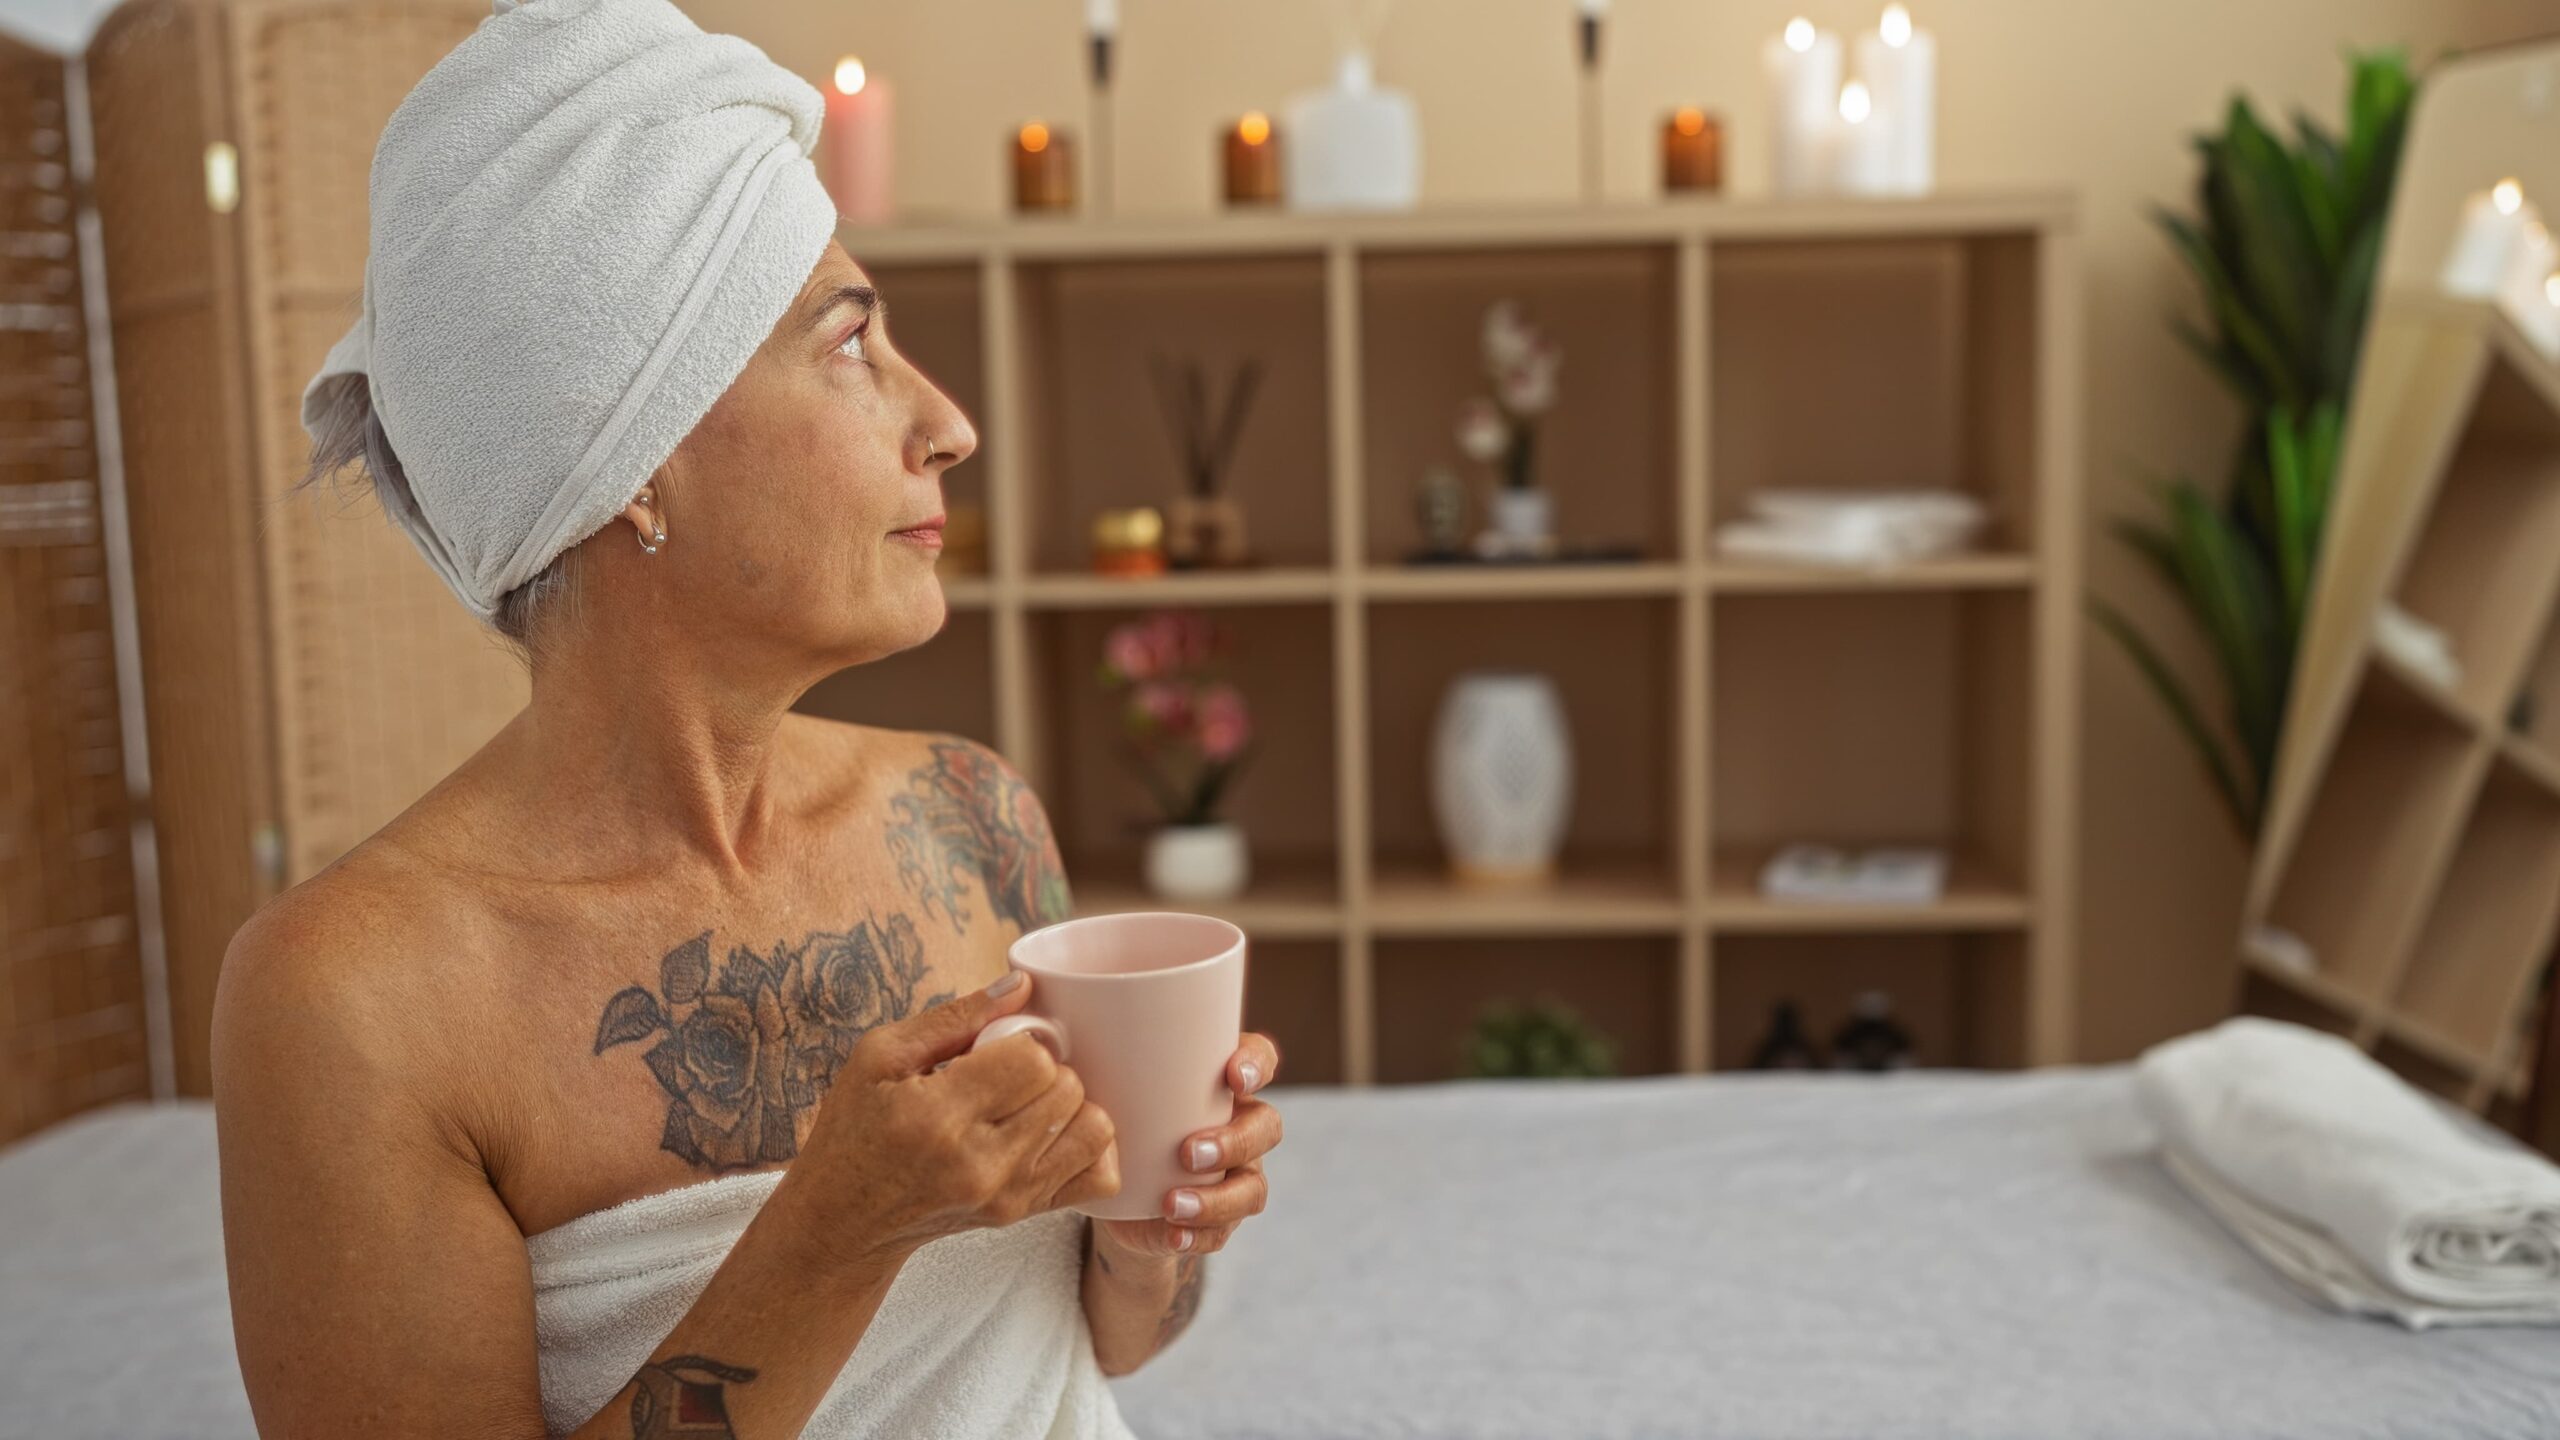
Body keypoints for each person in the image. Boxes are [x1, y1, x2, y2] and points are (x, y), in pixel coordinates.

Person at [210, 0, 1282, 1434]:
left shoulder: (972, 814)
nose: (947, 421)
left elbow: (1095, 1344)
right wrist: (836, 1227)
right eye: (850, 344)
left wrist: (1154, 1244)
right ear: (634, 465)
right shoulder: (349, 1001)